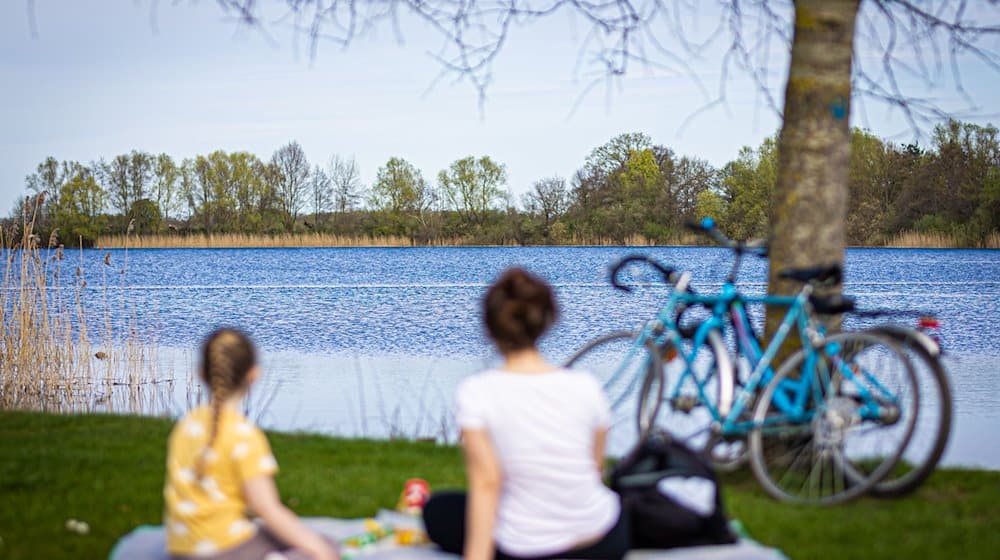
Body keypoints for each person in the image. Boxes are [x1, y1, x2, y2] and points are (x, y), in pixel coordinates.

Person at [422, 268, 629, 560]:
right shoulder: (586, 386)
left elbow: (487, 483)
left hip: (527, 546)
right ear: (547, 320)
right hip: (601, 539)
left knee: (438, 510)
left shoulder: (478, 392)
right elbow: (593, 470)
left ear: (490, 326)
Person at [164, 328, 338, 560]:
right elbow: (266, 508)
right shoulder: (243, 435)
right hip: (226, 549)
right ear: (254, 374)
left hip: (182, 549)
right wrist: (320, 550)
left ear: (201, 373)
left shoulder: (186, 426)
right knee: (322, 545)